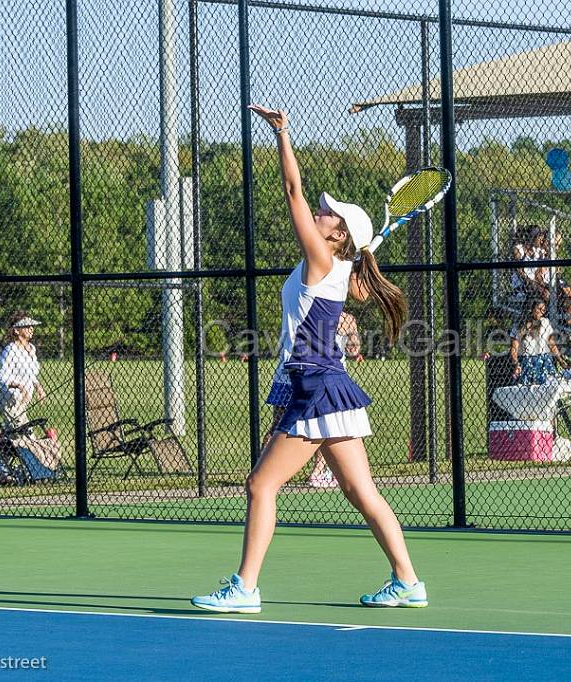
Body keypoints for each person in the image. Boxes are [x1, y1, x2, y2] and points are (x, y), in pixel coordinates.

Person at [191, 104, 426, 614]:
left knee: (261, 484)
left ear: (337, 234)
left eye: (328, 213)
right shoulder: (337, 264)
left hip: (317, 386)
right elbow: (359, 283)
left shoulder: (324, 260)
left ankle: (245, 588)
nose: (317, 211)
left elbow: (292, 192)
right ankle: (408, 581)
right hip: (326, 384)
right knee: (360, 492)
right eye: (322, 209)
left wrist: (282, 134)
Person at [266, 311, 361, 489]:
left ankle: (264, 469)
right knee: (323, 426)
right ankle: (316, 474)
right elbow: (354, 348)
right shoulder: (344, 319)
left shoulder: (301, 310)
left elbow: (353, 348)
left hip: (288, 375)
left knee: (279, 426)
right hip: (318, 379)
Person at [0, 312, 46, 429]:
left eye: (32, 326)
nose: (31, 329)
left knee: (16, 434)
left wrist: (38, 387)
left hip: (22, 402)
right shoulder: (10, 350)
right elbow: (2, 378)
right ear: (17, 330)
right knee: (24, 434)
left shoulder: (31, 348)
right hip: (10, 400)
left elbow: (30, 373)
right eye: (27, 326)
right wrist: (20, 386)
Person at [509, 299, 566, 384]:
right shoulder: (519, 326)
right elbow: (514, 349)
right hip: (527, 361)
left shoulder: (545, 322)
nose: (541, 312)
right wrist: (516, 364)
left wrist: (560, 360)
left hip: (545, 360)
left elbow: (551, 344)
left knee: (551, 387)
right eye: (539, 309)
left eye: (543, 310)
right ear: (531, 308)